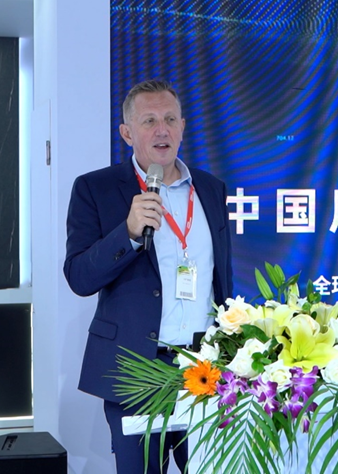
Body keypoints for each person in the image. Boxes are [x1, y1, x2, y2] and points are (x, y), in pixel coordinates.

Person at [63, 79, 234, 473]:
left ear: (183, 127)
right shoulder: (95, 188)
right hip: (136, 369)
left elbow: (220, 277)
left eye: (170, 119)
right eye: (149, 121)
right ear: (127, 133)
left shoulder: (211, 189)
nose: (162, 130)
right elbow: (79, 277)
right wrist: (127, 233)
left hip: (205, 368)